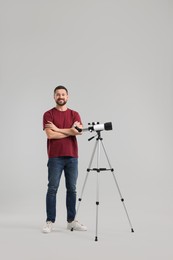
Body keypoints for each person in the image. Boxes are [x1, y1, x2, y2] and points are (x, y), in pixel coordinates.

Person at [42, 85, 87, 233]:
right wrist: (69, 131)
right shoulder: (48, 114)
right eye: (58, 95)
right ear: (54, 97)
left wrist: (58, 129)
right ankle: (49, 221)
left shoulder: (75, 114)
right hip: (55, 157)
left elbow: (78, 132)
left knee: (72, 189)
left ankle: (71, 221)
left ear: (67, 97)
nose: (61, 97)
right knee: (52, 189)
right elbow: (50, 135)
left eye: (63, 94)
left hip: (72, 157)